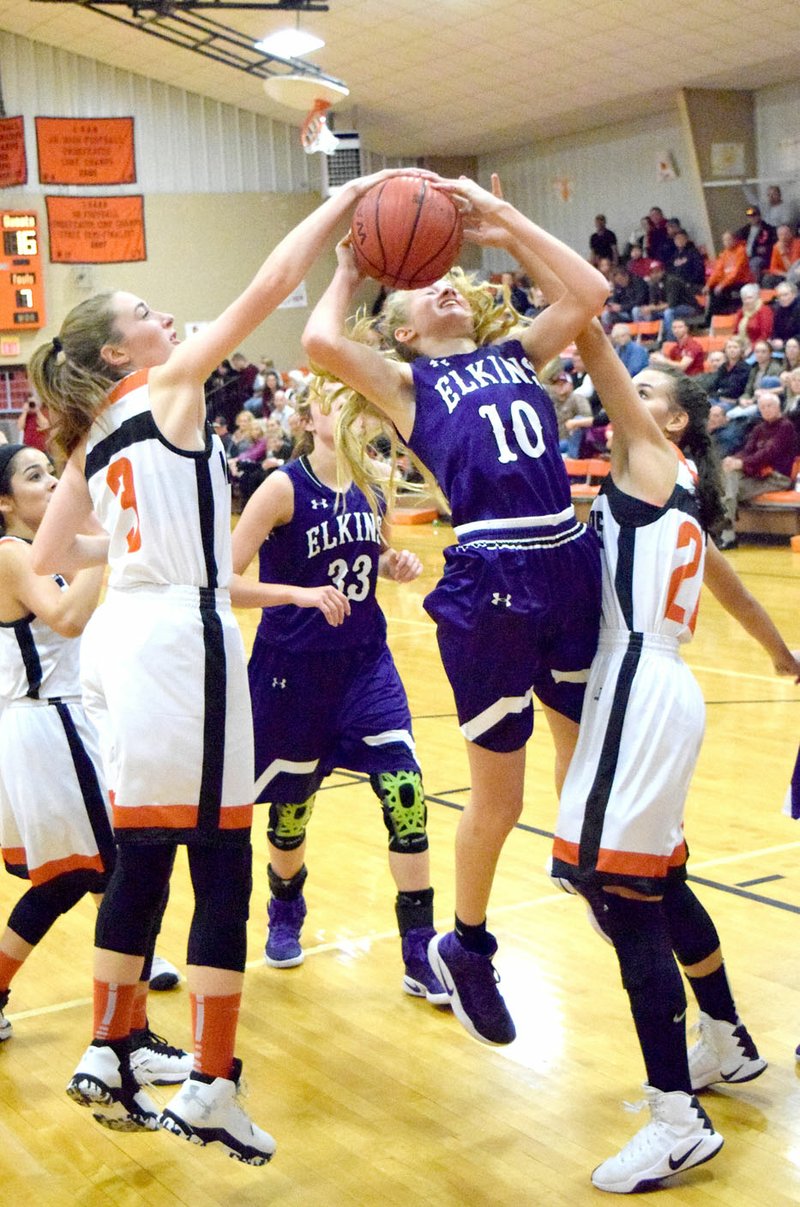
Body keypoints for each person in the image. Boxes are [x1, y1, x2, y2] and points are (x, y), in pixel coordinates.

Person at [27, 164, 420, 1163]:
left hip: (133, 640)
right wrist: (344, 209)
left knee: (150, 854)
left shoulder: (91, 440)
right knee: (222, 864)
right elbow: (267, 282)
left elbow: (49, 559)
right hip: (177, 645)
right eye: (151, 313)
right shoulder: (164, 388)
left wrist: (141, 559)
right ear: (123, 348)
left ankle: (109, 1047)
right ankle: (210, 1081)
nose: (171, 319)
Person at [302, 172, 609, 1046]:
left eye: (448, 278)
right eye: (422, 286)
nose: (444, 283)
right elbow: (323, 338)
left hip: (566, 558)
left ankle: (587, 861)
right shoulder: (407, 385)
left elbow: (587, 293)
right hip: (490, 580)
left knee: (584, 753)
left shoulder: (515, 354)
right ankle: (465, 943)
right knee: (498, 796)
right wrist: (355, 266)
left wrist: (506, 224)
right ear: (402, 328)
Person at [551, 324, 800, 1194]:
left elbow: (590, 337)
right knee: (660, 878)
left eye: (651, 392)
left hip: (637, 688)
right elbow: (728, 584)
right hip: (658, 688)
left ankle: (674, 1118)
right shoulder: (671, 491)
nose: (634, 397)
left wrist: (513, 241)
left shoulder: (654, 460)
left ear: (678, 424)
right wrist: (780, 651)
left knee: (616, 889)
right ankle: (725, 1040)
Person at [230, 380, 448, 1004]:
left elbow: (366, 557)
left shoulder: (374, 482)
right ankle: (285, 907)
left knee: (405, 789)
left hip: (363, 663)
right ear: (309, 416)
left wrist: (392, 564)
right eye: (334, 397)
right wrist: (297, 595)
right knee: (291, 808)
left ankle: (419, 949)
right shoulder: (280, 487)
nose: (351, 407)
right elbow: (223, 580)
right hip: (291, 669)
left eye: (358, 397)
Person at [0, 443, 188, 1081]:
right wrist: (99, 544)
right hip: (46, 725)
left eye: (52, 471)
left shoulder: (39, 552)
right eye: (34, 477)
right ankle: (127, 1036)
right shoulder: (11, 554)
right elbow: (69, 617)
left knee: (71, 878)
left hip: (63, 721)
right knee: (133, 872)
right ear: (4, 502)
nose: (50, 482)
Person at [716, 390, 798, 549]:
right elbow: (747, 450)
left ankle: (726, 535)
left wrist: (741, 464)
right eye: (762, 407)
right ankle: (726, 534)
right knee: (729, 481)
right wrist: (734, 459)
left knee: (729, 490)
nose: (766, 410)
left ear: (778, 407)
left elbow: (768, 453)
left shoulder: (785, 427)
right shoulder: (759, 428)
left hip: (778, 477)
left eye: (769, 406)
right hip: (758, 475)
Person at [704, 232, 753, 319]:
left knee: (720, 290)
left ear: (735, 240)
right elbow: (717, 272)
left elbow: (736, 273)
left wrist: (722, 285)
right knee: (712, 288)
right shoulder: (724, 254)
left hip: (742, 281)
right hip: (728, 282)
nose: (727, 242)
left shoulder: (741, 251)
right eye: (725, 240)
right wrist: (708, 284)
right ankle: (713, 318)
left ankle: (718, 317)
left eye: (729, 239)